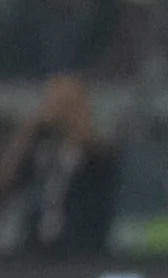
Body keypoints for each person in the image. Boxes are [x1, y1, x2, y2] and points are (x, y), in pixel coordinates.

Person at [0, 72, 117, 257]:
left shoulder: (98, 158)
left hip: (83, 252)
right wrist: (27, 132)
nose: (60, 112)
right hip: (30, 252)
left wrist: (77, 127)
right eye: (55, 102)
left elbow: (103, 156)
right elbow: (4, 187)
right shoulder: (34, 155)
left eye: (67, 104)